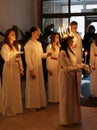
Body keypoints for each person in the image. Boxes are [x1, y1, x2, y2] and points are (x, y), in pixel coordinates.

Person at [24, 26, 51, 110]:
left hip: (39, 67)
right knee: (32, 87)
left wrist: (47, 54)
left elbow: (41, 55)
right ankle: (32, 105)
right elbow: (27, 59)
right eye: (37, 32)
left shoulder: (39, 44)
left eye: (39, 32)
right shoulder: (27, 45)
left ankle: (40, 103)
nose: (39, 34)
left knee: (39, 86)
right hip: (32, 68)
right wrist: (31, 70)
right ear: (33, 33)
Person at [59, 36, 82, 126]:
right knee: (66, 96)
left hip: (72, 75)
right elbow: (66, 67)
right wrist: (78, 68)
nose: (72, 41)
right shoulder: (62, 52)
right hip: (65, 76)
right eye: (71, 40)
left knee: (72, 96)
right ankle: (66, 120)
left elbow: (73, 63)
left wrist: (81, 65)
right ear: (67, 41)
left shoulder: (70, 50)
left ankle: (73, 118)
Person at [1, 28, 24, 116]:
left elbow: (19, 59)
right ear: (8, 36)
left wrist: (21, 69)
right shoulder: (5, 47)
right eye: (12, 34)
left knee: (16, 88)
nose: (14, 35)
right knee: (9, 88)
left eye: (15, 34)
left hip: (15, 69)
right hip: (9, 69)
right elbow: (7, 59)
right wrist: (14, 55)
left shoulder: (15, 46)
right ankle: (9, 110)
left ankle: (16, 108)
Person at [70, 21, 83, 97]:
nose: (75, 28)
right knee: (72, 75)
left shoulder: (78, 35)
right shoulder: (69, 35)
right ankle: (72, 93)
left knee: (78, 75)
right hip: (72, 57)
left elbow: (80, 47)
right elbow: (66, 47)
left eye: (76, 27)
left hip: (78, 57)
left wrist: (81, 57)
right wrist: (72, 46)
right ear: (71, 27)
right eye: (74, 27)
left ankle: (79, 92)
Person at [46, 32, 60, 103]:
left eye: (58, 37)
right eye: (56, 37)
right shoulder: (49, 46)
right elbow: (48, 57)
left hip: (58, 64)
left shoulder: (58, 46)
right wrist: (49, 68)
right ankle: (52, 99)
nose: (57, 38)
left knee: (57, 82)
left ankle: (57, 98)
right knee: (52, 82)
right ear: (53, 37)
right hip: (52, 63)